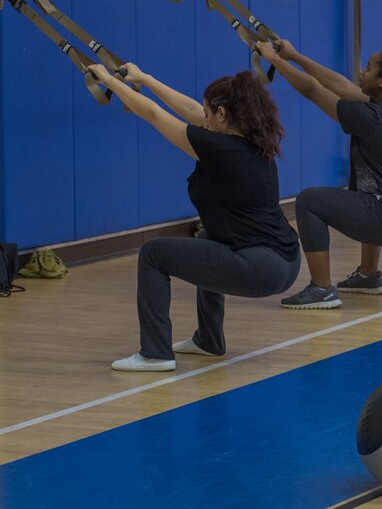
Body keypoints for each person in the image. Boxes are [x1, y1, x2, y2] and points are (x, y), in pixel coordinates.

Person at [88, 63, 300, 371]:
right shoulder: (253, 141)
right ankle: (208, 340)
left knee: (153, 254)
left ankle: (155, 353)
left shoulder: (219, 148)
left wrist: (108, 80)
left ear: (223, 114)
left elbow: (152, 115)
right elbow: (190, 110)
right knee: (208, 240)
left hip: (260, 267)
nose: (202, 116)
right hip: (286, 262)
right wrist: (145, 78)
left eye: (208, 111)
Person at [256, 41, 382, 310]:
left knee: (309, 201)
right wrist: (294, 55)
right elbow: (341, 86)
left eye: (368, 68)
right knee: (368, 193)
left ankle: (321, 289)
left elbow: (312, 89)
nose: (362, 73)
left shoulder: (369, 117)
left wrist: (275, 60)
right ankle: (368, 275)